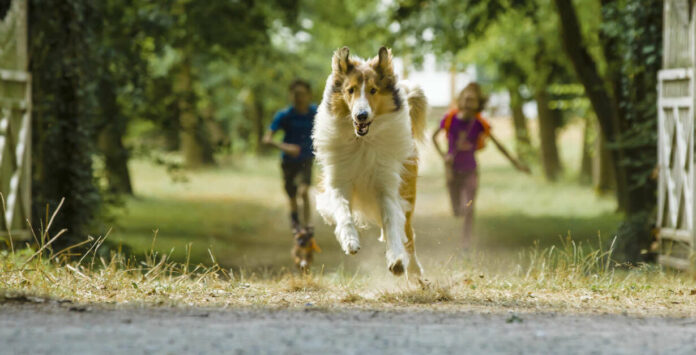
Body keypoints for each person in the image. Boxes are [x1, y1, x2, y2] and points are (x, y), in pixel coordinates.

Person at [432, 82, 530, 249]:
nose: (469, 102)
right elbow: (434, 137)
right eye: (467, 99)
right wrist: (444, 156)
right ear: (461, 100)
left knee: (469, 208)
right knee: (457, 211)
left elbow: (499, 145)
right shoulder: (450, 119)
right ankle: (461, 223)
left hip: (471, 170)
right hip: (452, 172)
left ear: (479, 103)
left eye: (473, 100)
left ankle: (466, 244)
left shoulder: (480, 123)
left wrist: (517, 164)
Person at [262, 79, 319, 269]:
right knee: (293, 198)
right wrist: (284, 146)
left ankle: (307, 228)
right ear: (291, 96)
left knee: (304, 191)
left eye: (302, 94)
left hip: (306, 160)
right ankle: (297, 230)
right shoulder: (284, 115)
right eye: (295, 95)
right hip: (288, 162)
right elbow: (267, 138)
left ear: (309, 95)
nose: (299, 98)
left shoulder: (316, 112)